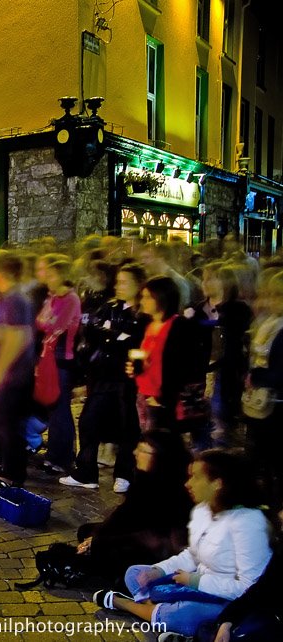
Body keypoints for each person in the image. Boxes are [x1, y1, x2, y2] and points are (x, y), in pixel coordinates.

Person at [94, 450, 272, 639]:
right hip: (195, 584)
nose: (188, 484)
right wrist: (159, 571)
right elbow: (192, 555)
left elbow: (249, 587)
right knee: (135, 574)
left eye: (196, 477)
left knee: (181, 615)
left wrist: (195, 582)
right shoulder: (203, 509)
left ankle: (126, 604)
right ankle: (155, 610)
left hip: (227, 600)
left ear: (217, 484)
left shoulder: (248, 522)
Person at [62, 263, 147, 492]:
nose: (119, 286)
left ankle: (124, 473)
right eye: (118, 281)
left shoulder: (142, 314)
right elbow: (95, 332)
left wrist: (116, 337)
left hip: (126, 378)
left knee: (127, 426)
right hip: (103, 375)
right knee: (89, 421)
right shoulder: (109, 308)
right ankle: (86, 471)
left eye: (124, 282)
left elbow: (135, 343)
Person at [74, 429, 192, 585]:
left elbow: (150, 532)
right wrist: (96, 536)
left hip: (161, 548)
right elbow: (125, 514)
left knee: (105, 546)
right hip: (140, 535)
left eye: (143, 450)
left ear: (160, 456)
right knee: (87, 531)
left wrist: (100, 541)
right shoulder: (145, 478)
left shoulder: (172, 487)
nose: (135, 452)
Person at [128, 276, 211, 444]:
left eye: (148, 297)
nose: (142, 301)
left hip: (165, 400)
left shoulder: (179, 327)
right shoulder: (149, 325)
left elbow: (181, 365)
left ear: (162, 298)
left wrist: (164, 397)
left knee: (162, 445)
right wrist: (137, 368)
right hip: (146, 394)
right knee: (149, 442)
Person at [0, 251, 35, 489]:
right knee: (7, 425)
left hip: (12, 376)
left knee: (9, 426)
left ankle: (13, 475)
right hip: (13, 374)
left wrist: (0, 370)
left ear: (0, 273)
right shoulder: (12, 299)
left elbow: (19, 336)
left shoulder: (15, 299)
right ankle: (9, 469)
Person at [35, 255, 82, 475]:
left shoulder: (71, 299)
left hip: (63, 356)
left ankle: (63, 456)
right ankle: (55, 451)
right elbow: (41, 321)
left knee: (61, 405)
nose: (48, 279)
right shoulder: (53, 298)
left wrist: (48, 321)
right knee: (53, 405)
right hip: (50, 355)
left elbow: (57, 325)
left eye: (52, 275)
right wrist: (48, 320)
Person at [198, 263, 253, 448]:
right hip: (201, 371)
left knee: (221, 419)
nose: (205, 282)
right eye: (203, 278)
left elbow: (238, 340)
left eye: (211, 278)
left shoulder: (238, 310)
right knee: (201, 419)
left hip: (225, 372)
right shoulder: (197, 309)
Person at [245, 271, 283, 505]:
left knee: (274, 459)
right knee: (265, 459)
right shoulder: (270, 324)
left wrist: (257, 375)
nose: (269, 301)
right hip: (264, 403)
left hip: (276, 406)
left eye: (276, 296)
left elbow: (279, 373)